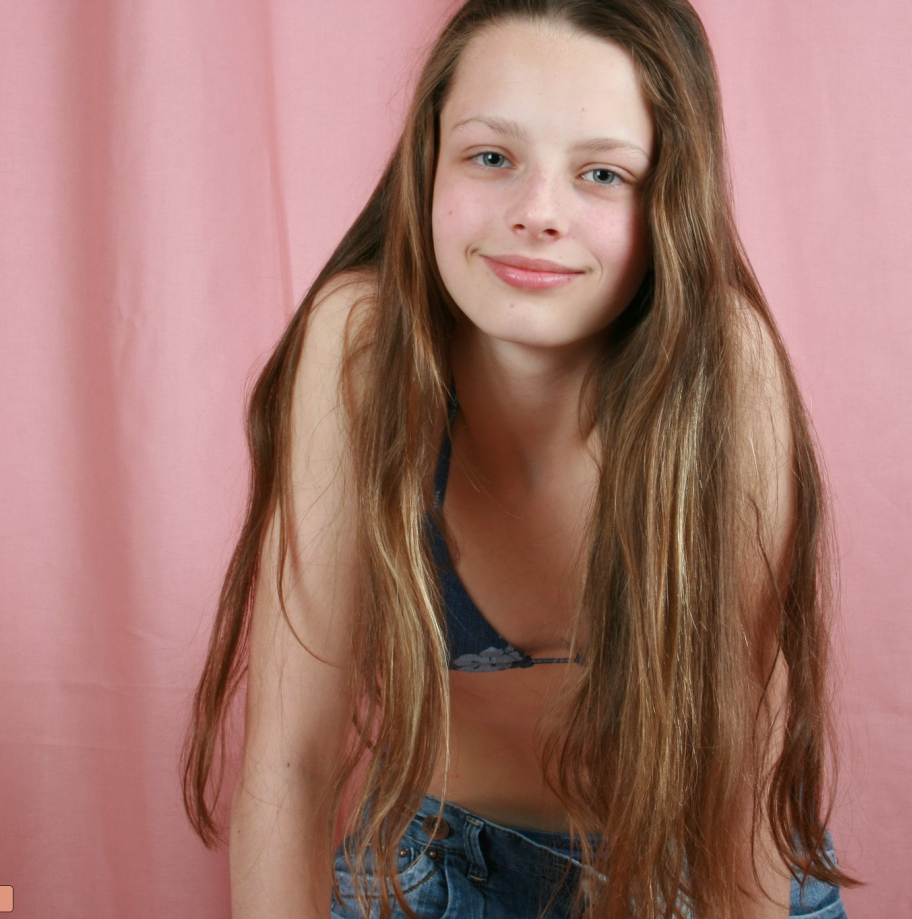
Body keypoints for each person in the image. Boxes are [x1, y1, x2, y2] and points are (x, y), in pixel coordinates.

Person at [183, 0, 860, 916]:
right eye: (492, 157)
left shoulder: (723, 367)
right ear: (429, 162)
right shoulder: (360, 348)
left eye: (602, 173)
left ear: (669, 197)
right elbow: (291, 759)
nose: (538, 213)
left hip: (696, 869)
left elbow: (745, 765)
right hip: (442, 870)